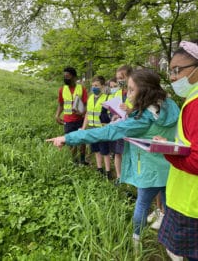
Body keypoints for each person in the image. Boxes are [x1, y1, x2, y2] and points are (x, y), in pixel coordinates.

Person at [47, 68, 180, 252]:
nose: (128, 93)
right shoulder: (169, 105)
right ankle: (172, 245)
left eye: (132, 90)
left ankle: (136, 240)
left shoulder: (143, 120)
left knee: (142, 204)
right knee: (170, 205)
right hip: (171, 167)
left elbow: (107, 131)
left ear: (145, 92)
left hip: (148, 170)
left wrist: (68, 138)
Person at [157, 40, 198, 261]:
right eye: (170, 71)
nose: (173, 77)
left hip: (191, 203)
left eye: (177, 70)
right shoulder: (191, 99)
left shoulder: (195, 104)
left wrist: (168, 151)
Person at [55, 66, 88, 165]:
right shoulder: (62, 89)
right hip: (68, 120)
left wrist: (83, 112)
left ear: (74, 77)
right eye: (64, 76)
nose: (65, 78)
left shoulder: (81, 88)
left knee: (82, 140)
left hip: (80, 119)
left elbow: (86, 104)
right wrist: (57, 115)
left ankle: (82, 160)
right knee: (70, 141)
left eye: (68, 76)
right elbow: (61, 104)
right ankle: (74, 161)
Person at [81, 75, 112, 179]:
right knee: (96, 150)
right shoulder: (90, 98)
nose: (94, 87)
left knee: (105, 151)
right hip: (92, 128)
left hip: (102, 129)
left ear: (102, 87)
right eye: (93, 85)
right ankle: (99, 169)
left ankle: (108, 172)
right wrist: (83, 127)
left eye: (97, 85)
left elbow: (111, 116)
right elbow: (87, 114)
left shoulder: (107, 99)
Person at [112, 65, 133, 185]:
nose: (119, 80)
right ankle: (119, 177)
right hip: (120, 126)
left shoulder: (136, 92)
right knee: (118, 152)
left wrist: (129, 111)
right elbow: (114, 109)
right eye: (117, 78)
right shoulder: (118, 93)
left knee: (129, 153)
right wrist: (114, 115)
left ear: (129, 76)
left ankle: (130, 178)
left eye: (121, 78)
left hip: (132, 129)